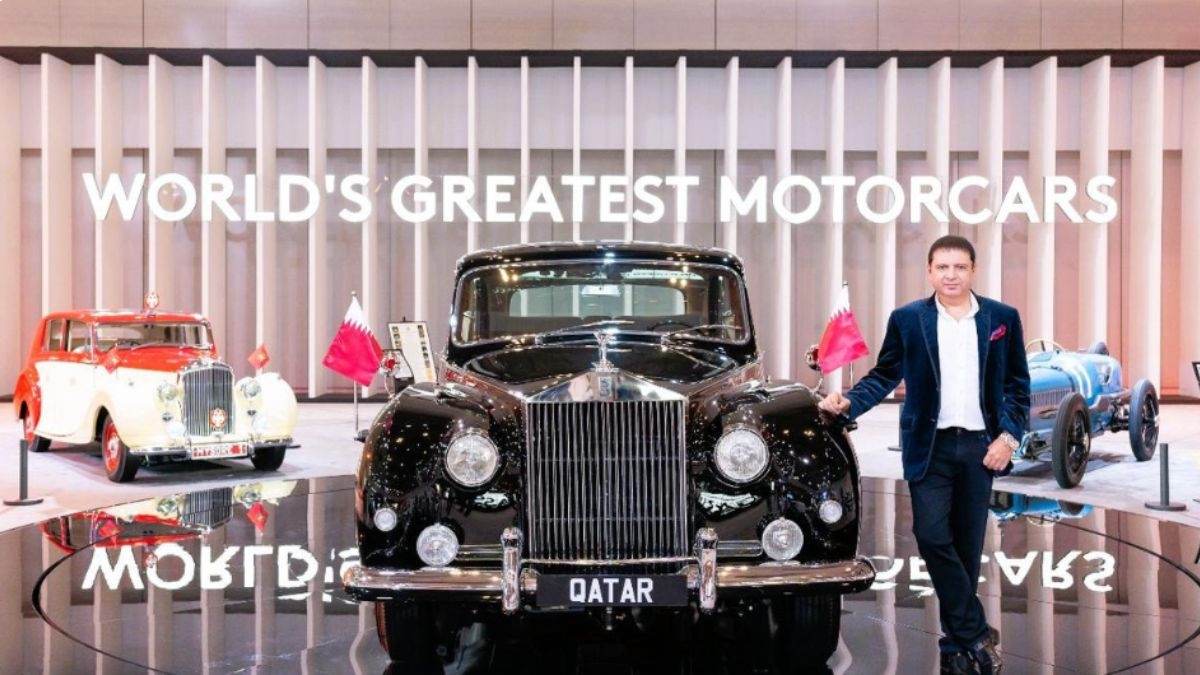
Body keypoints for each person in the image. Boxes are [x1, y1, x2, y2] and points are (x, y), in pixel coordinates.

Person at [819, 235, 1029, 674]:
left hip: (981, 448)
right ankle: (975, 631)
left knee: (967, 546)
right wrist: (849, 403)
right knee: (931, 534)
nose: (951, 275)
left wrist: (1008, 438)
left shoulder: (1002, 318)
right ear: (930, 271)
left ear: (973, 270)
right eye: (942, 267)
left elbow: (1016, 386)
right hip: (929, 446)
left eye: (960, 267)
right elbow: (884, 375)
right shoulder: (908, 319)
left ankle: (958, 640)